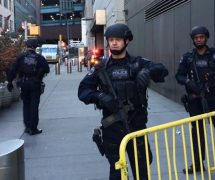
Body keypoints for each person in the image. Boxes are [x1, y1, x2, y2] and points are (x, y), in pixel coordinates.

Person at [78, 23, 168, 180]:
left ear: (127, 41)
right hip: (112, 129)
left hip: (136, 126)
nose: (114, 43)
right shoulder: (101, 67)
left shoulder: (137, 63)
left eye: (118, 39)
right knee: (117, 171)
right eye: (111, 39)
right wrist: (100, 97)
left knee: (142, 170)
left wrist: (147, 72)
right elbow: (83, 91)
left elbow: (162, 70)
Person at [175, 26, 215, 174]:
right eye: (196, 38)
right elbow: (178, 75)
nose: (199, 40)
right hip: (195, 100)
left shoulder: (213, 55)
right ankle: (198, 163)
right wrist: (187, 82)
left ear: (206, 38)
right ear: (193, 40)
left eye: (201, 37)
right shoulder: (188, 57)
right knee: (197, 133)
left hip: (213, 98)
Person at [7, 38, 50, 135]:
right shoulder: (39, 58)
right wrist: (40, 73)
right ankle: (33, 128)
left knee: (26, 105)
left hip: (24, 83)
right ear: (35, 47)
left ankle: (27, 127)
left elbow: (13, 69)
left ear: (26, 46)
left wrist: (10, 81)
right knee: (34, 106)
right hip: (35, 84)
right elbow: (47, 69)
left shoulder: (21, 57)